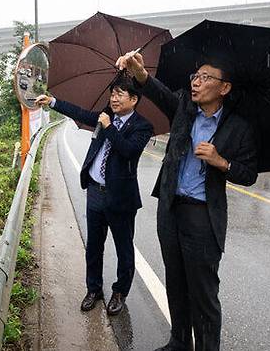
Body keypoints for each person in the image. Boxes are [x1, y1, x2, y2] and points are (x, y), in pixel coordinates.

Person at [116, 51, 257, 351]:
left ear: (224, 88)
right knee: (176, 282)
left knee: (203, 293)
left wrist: (221, 161)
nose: (196, 83)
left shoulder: (239, 127)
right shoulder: (184, 108)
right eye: (195, 76)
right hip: (170, 209)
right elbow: (158, 92)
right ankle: (179, 342)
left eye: (206, 78)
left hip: (203, 216)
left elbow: (249, 174)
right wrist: (140, 73)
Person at [35, 73, 153, 316]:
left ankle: (120, 292)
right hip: (95, 192)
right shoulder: (105, 116)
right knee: (94, 247)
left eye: (119, 94)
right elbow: (82, 114)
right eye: (112, 94)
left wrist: (109, 128)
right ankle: (94, 289)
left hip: (120, 198)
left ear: (134, 99)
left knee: (123, 248)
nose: (114, 98)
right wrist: (54, 102)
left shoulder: (142, 126)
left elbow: (128, 151)